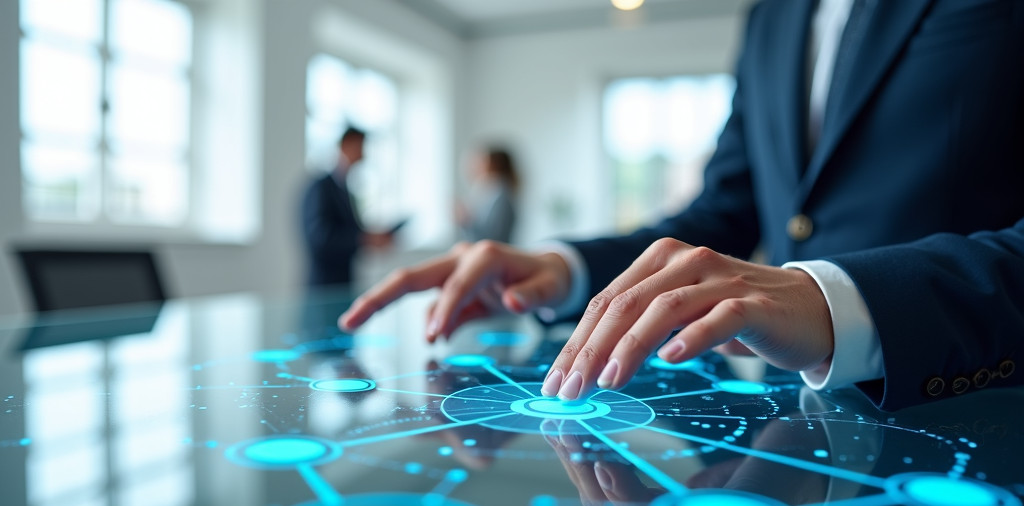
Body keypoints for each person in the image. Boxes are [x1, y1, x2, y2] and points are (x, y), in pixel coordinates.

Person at [340, 0, 1024, 411]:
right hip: (795, 444)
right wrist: (566, 267)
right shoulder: (771, 18)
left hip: (975, 410)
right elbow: (720, 214)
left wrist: (840, 300)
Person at [301, 127, 395, 288]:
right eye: (360, 146)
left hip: (344, 281)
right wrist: (364, 239)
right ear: (345, 146)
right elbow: (320, 238)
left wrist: (371, 238)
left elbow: (350, 230)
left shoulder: (345, 190)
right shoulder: (321, 188)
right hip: (324, 286)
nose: (363, 153)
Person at [455, 146, 519, 244]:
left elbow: (492, 240)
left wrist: (466, 220)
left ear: (494, 165)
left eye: (481, 163)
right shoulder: (488, 195)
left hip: (495, 256)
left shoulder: (500, 197)